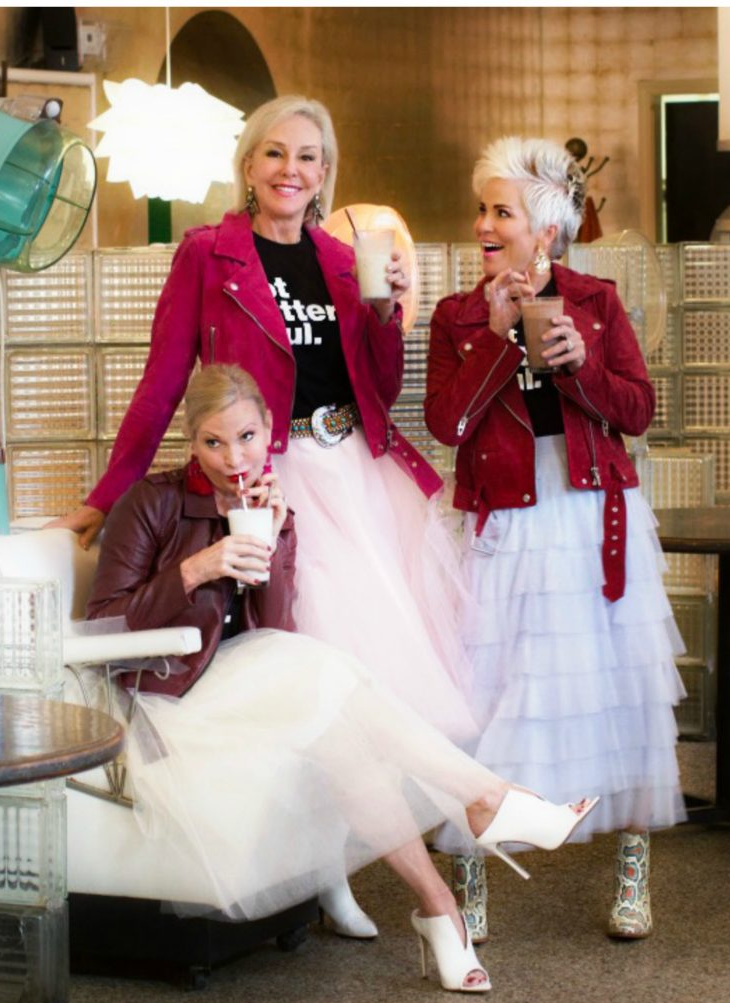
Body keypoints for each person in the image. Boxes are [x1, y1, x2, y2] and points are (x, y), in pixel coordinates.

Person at [51, 95, 479, 936]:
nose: (293, 170)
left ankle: (334, 863)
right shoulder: (210, 255)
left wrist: (387, 314)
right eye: (276, 153)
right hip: (272, 480)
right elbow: (161, 384)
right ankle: (327, 874)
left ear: (328, 173)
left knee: (372, 679)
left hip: (353, 474)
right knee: (306, 671)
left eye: (311, 157)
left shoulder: (337, 254)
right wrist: (104, 500)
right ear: (248, 165)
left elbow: (379, 389)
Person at [86, 363, 597, 993]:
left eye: (246, 437)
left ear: (270, 429)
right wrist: (198, 568)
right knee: (325, 673)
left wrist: (274, 545)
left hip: (243, 684)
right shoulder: (153, 503)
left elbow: (274, 627)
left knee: (347, 743)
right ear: (191, 442)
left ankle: (442, 911)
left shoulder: (269, 506)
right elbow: (104, 629)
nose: (232, 458)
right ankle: (490, 801)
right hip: (166, 698)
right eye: (213, 443)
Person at [425, 137, 686, 944]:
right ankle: (468, 890)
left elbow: (638, 413)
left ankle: (632, 880)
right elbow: (446, 425)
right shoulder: (458, 315)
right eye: (483, 209)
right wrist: (502, 341)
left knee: (620, 695)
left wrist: (578, 368)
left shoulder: (598, 303)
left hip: (592, 517)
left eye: (501, 210)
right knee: (484, 700)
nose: (483, 224)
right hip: (502, 520)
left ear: (546, 231)